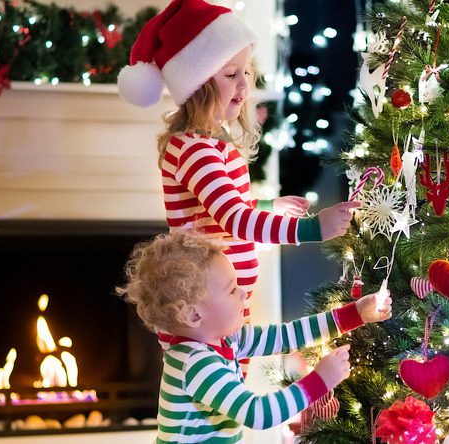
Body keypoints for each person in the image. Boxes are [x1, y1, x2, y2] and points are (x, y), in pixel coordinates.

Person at [117, 0, 360, 330]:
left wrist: (268, 206)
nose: (244, 85)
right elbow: (233, 219)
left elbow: (215, 212)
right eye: (231, 74)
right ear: (197, 84)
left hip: (222, 301)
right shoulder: (195, 149)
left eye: (247, 71)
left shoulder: (211, 142)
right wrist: (313, 229)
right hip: (206, 306)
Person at [117, 230, 392, 443]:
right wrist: (320, 380)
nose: (242, 293)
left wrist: (355, 314)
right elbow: (257, 413)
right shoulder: (196, 364)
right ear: (193, 315)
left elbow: (285, 336)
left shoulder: (226, 339)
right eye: (231, 289)